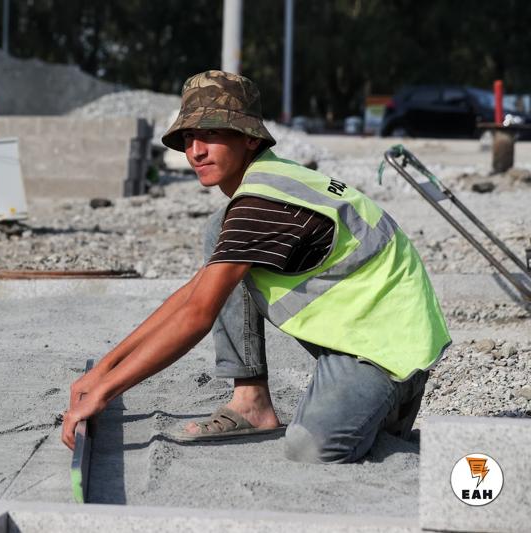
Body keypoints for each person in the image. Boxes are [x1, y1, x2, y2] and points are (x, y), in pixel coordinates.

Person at [61, 70, 450, 463]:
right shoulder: (265, 186)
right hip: (357, 331)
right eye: (188, 138)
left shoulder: (261, 205)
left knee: (312, 448)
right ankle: (250, 402)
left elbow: (197, 315)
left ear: (250, 138)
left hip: (389, 348)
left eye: (211, 134)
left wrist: (105, 392)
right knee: (218, 231)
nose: (195, 151)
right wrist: (104, 370)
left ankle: (391, 407)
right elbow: (195, 295)